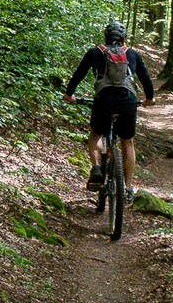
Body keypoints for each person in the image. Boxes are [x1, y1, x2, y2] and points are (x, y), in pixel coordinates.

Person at [63, 21, 155, 198]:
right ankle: (128, 188)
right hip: (127, 102)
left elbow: (78, 74)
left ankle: (96, 167)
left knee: (96, 134)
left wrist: (69, 94)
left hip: (104, 101)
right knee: (127, 142)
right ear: (123, 39)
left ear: (105, 38)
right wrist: (149, 99)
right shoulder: (132, 53)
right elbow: (146, 78)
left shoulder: (95, 52)